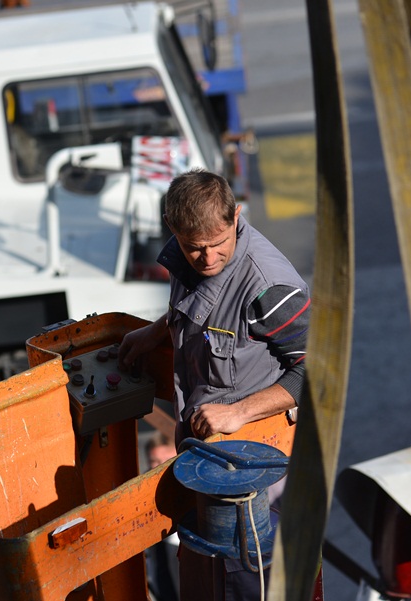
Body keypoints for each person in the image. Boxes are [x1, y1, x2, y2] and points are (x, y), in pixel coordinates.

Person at [118, 168, 310, 601]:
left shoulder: (268, 286)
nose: (206, 259)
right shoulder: (187, 257)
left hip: (254, 468)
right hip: (206, 456)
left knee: (246, 578)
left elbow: (318, 374)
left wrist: (237, 411)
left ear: (236, 217)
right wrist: (157, 332)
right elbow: (206, 314)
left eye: (218, 245)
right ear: (174, 229)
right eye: (194, 248)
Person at [145, 432, 180, 601]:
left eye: (166, 461)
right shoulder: (143, 491)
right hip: (158, 548)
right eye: (155, 462)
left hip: (183, 549)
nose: (160, 468)